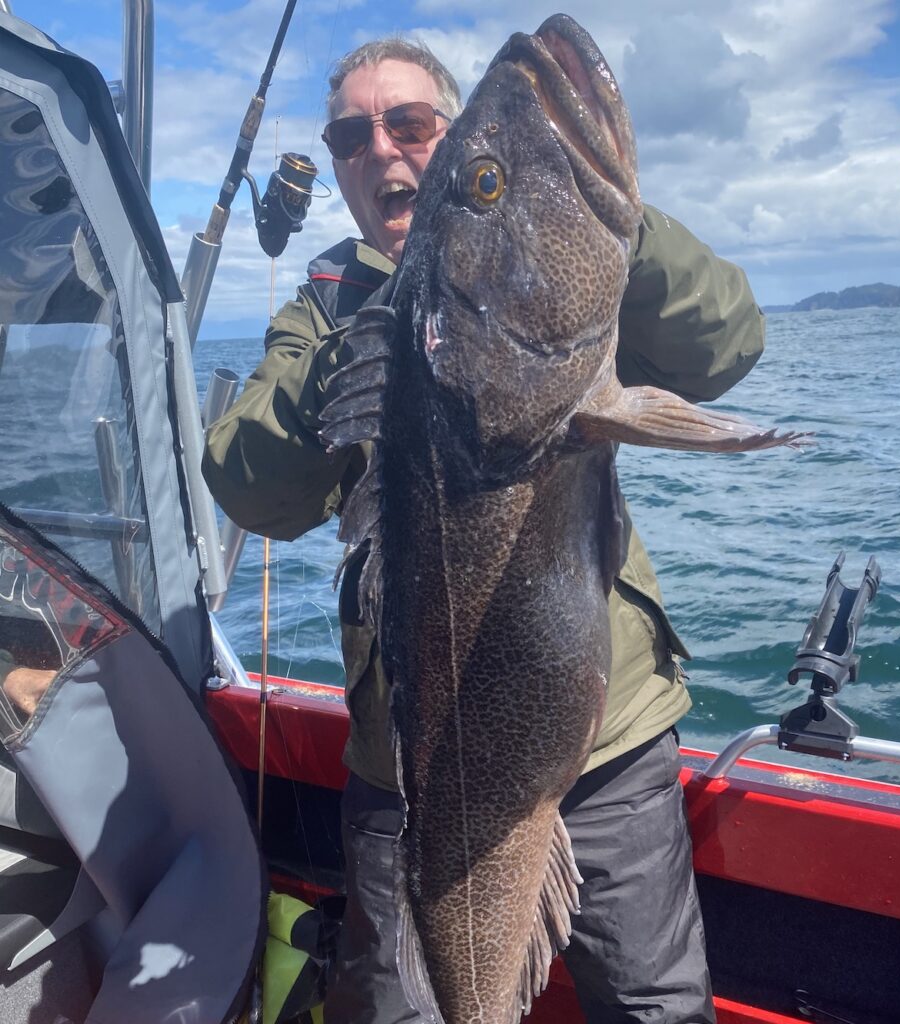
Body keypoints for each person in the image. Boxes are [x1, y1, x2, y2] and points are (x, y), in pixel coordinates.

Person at [203, 35, 766, 1024]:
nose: (382, 150)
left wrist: (613, 229)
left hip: (611, 740)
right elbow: (247, 483)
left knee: (654, 1003)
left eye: (414, 125)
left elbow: (726, 339)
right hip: (415, 764)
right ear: (334, 164)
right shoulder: (325, 307)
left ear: (447, 133)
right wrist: (368, 343)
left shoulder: (559, 280)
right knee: (408, 1008)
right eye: (351, 132)